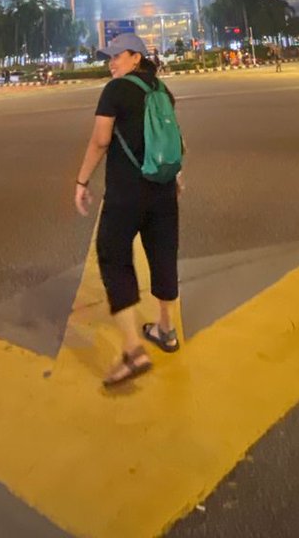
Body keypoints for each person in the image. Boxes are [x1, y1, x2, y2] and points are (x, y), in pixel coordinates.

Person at [74, 33, 183, 387]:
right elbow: (174, 138)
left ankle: (134, 349)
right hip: (163, 189)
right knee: (163, 254)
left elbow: (101, 140)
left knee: (113, 256)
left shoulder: (115, 91)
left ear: (136, 58)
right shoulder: (162, 90)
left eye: (117, 57)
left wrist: (82, 181)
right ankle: (165, 330)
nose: (111, 63)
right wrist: (176, 175)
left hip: (126, 194)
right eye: (109, 58)